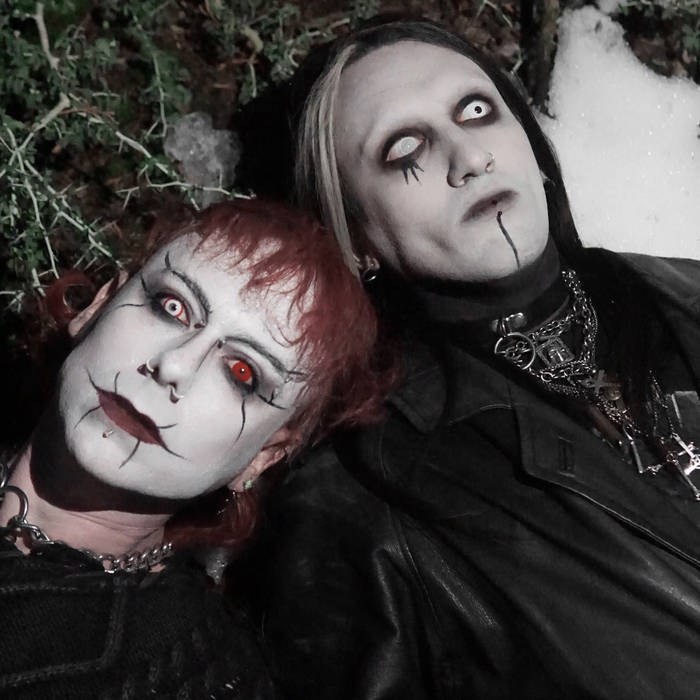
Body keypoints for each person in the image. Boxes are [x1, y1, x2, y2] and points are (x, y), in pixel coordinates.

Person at [240, 18, 700, 700]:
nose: (469, 158)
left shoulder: (685, 293)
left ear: (532, 148)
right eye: (404, 149)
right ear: (356, 237)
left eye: (478, 112)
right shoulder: (359, 504)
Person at [0, 197, 387, 698]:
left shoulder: (194, 679)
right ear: (99, 306)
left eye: (242, 373)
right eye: (172, 307)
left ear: (265, 454)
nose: (174, 367)